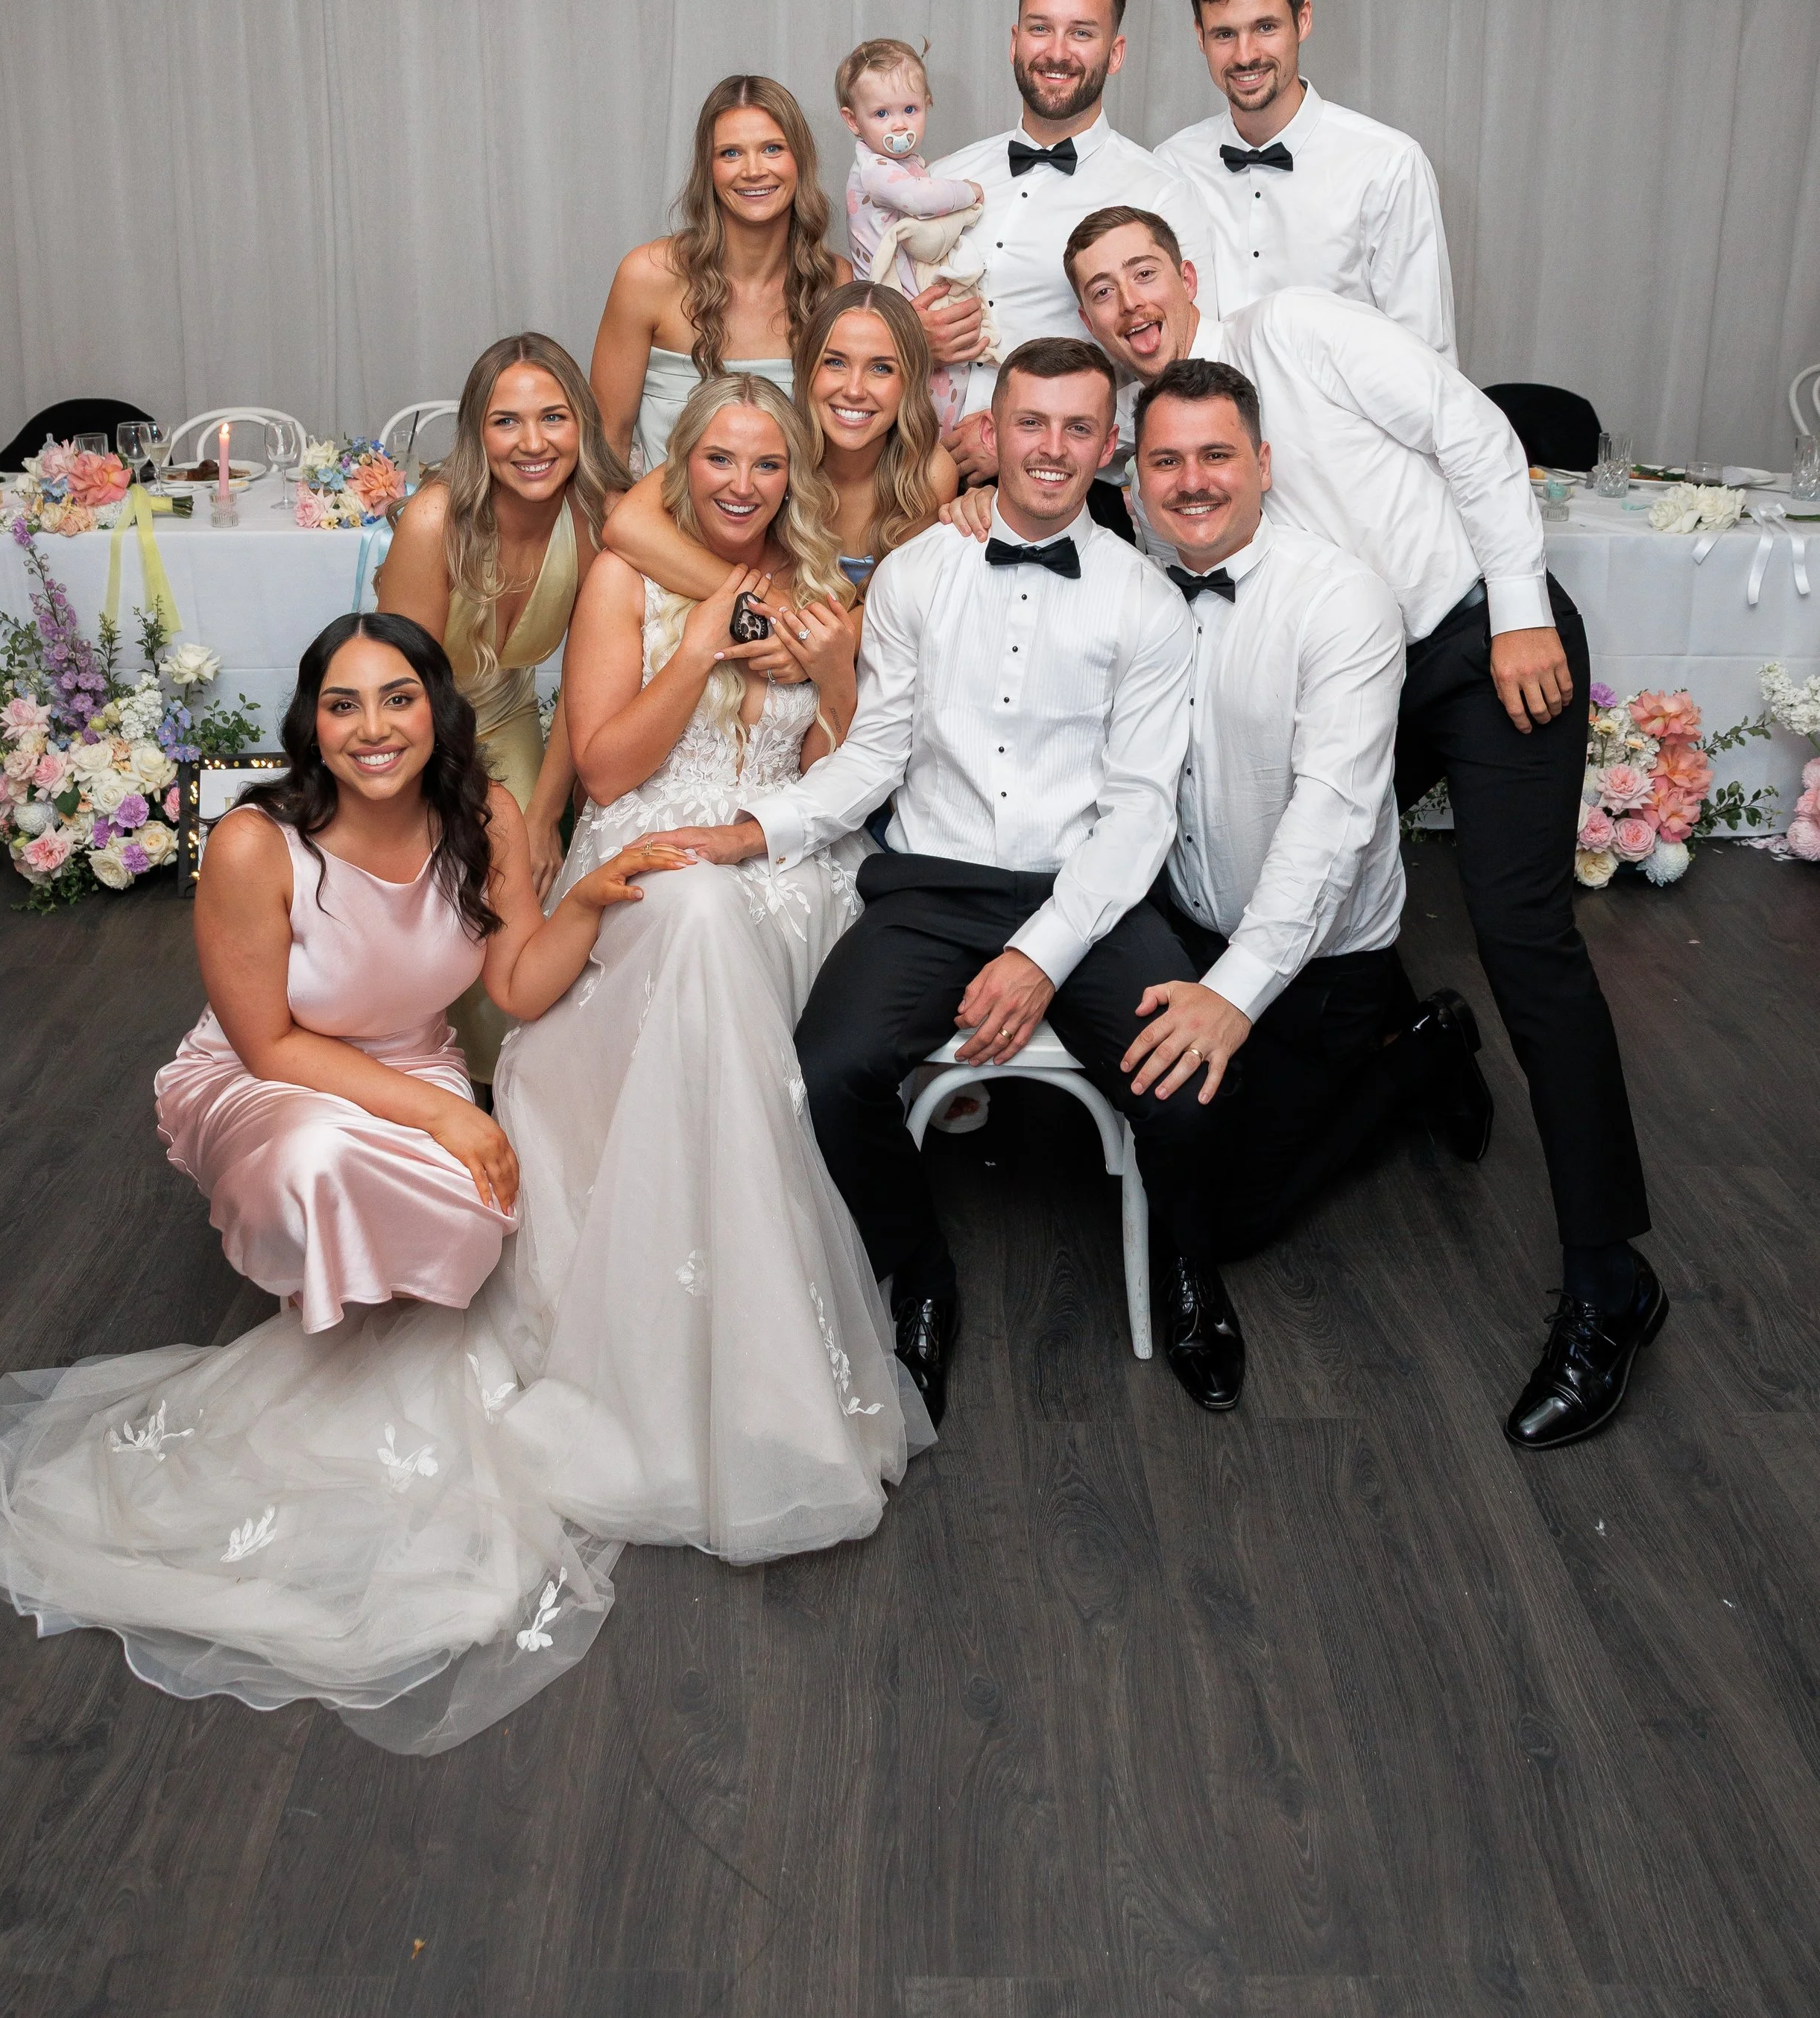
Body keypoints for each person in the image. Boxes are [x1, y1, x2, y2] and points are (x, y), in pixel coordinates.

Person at [0, 611, 695, 1738]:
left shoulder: (482, 812)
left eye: (397, 697)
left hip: (414, 1060)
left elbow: (521, 982)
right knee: (317, 1156)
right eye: (343, 705)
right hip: (269, 1078)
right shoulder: (258, 841)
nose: (373, 727)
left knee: (475, 1210)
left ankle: (376, 1302)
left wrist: (585, 901)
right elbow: (269, 1043)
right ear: (311, 724)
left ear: (437, 707)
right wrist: (453, 1123)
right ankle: (322, 1275)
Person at [1058, 206, 1666, 1447]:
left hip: (1465, 645)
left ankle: (1611, 1280)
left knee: (1520, 933)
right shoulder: (1148, 460)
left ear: (1184, 278)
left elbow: (1474, 432)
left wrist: (1519, 610)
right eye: (1096, 291)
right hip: (1345, 674)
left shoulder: (1295, 326)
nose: (1125, 301)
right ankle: (1410, 1056)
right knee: (1304, 856)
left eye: (1141, 274)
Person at [645, 338, 1211, 1428]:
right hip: (933, 889)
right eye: (1030, 424)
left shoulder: (1146, 602)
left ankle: (1192, 1277)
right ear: (990, 433)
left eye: (1077, 429)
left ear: (1110, 449)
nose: (1051, 449)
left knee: (1179, 1072)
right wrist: (758, 827)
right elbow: (878, 750)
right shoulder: (917, 571)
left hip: (1084, 895)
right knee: (832, 1065)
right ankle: (920, 1273)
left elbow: (1141, 810)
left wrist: (1040, 955)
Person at [493, 368, 914, 1552]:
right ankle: (729, 1359)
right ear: (682, 465)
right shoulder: (628, 576)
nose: (743, 483)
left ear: (793, 477)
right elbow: (609, 767)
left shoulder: (824, 588)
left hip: (783, 862)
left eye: (767, 463)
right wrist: (698, 650)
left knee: (718, 914)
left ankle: (769, 1360)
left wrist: (832, 672)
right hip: (651, 838)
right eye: (721, 459)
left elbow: (845, 768)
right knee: (688, 912)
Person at [1118, 356, 1487, 1407]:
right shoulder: (1132, 580)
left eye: (1217, 455)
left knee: (1232, 1213)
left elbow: (1331, 821)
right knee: (1152, 1134)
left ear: (1266, 464)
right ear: (1137, 477)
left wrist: (1238, 992)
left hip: (1317, 958)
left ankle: (1419, 1053)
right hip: (1183, 923)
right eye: (1167, 460)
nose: (1193, 481)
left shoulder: (1343, 601)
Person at [377, 333, 628, 1077]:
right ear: (475, 433)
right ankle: (438, 1070)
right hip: (410, 738)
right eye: (505, 421)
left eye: (553, 417)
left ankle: (530, 1080)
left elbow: (585, 689)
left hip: (513, 718)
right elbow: (400, 694)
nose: (532, 443)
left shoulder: (591, 524)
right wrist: (472, 808)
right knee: (462, 868)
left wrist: (546, 815)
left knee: (541, 884)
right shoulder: (434, 521)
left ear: (582, 423)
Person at [910, 0, 1202, 496]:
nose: (1058, 52)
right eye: (1041, 29)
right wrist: (908, 338)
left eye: (1082, 33)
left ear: (1115, 54)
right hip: (916, 479)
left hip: (1072, 488)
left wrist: (1024, 440)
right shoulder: (941, 179)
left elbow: (1183, 365)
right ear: (1014, 42)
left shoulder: (1160, 194)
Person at [1153, 0, 1456, 359]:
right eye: (1224, 34)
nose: (1245, 56)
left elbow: (1428, 360)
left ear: (1304, 20)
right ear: (1199, 37)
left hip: (1341, 427)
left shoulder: (1389, 166)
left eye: (1265, 27)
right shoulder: (1171, 167)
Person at [599, 283, 955, 641]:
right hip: (767, 655)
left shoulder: (925, 473)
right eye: (835, 362)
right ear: (807, 369)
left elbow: (898, 607)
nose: (854, 389)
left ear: (909, 381)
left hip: (868, 666)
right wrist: (767, 602)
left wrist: (808, 647)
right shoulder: (772, 437)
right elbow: (625, 524)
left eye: (881, 368)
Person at [590, 73, 851, 473]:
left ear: (800, 160)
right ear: (708, 170)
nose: (753, 170)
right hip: (658, 525)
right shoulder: (647, 276)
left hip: (793, 532)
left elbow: (843, 451)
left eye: (772, 149)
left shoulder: (833, 283)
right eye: (730, 153)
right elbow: (607, 443)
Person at [838, 37, 993, 432]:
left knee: (944, 376)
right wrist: (969, 191)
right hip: (893, 298)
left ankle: (941, 446)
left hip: (911, 290)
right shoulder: (874, 170)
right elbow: (921, 200)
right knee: (923, 393)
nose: (900, 124)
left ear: (927, 104)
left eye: (910, 109)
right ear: (853, 121)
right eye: (881, 114)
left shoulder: (906, 162)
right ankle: (934, 448)